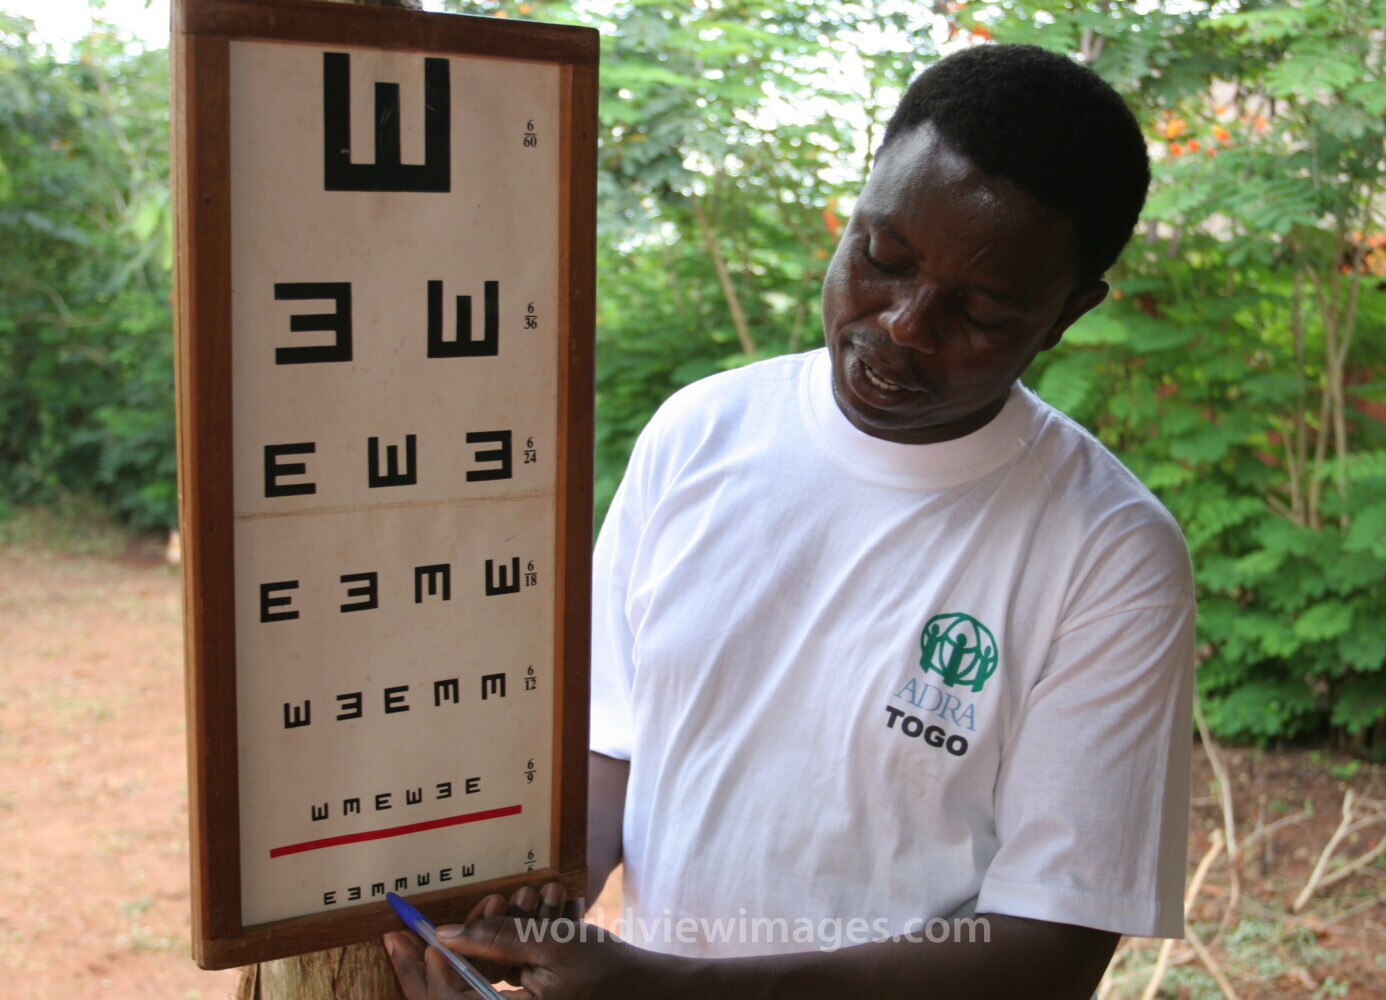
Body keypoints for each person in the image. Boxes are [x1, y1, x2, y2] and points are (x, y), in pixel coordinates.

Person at [386, 42, 1195, 1000]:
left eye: (980, 312)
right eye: (881, 258)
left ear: (1067, 315)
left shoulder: (1110, 554)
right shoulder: (699, 434)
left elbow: (1049, 950)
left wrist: (668, 992)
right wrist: (535, 905)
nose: (903, 324)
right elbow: (614, 742)